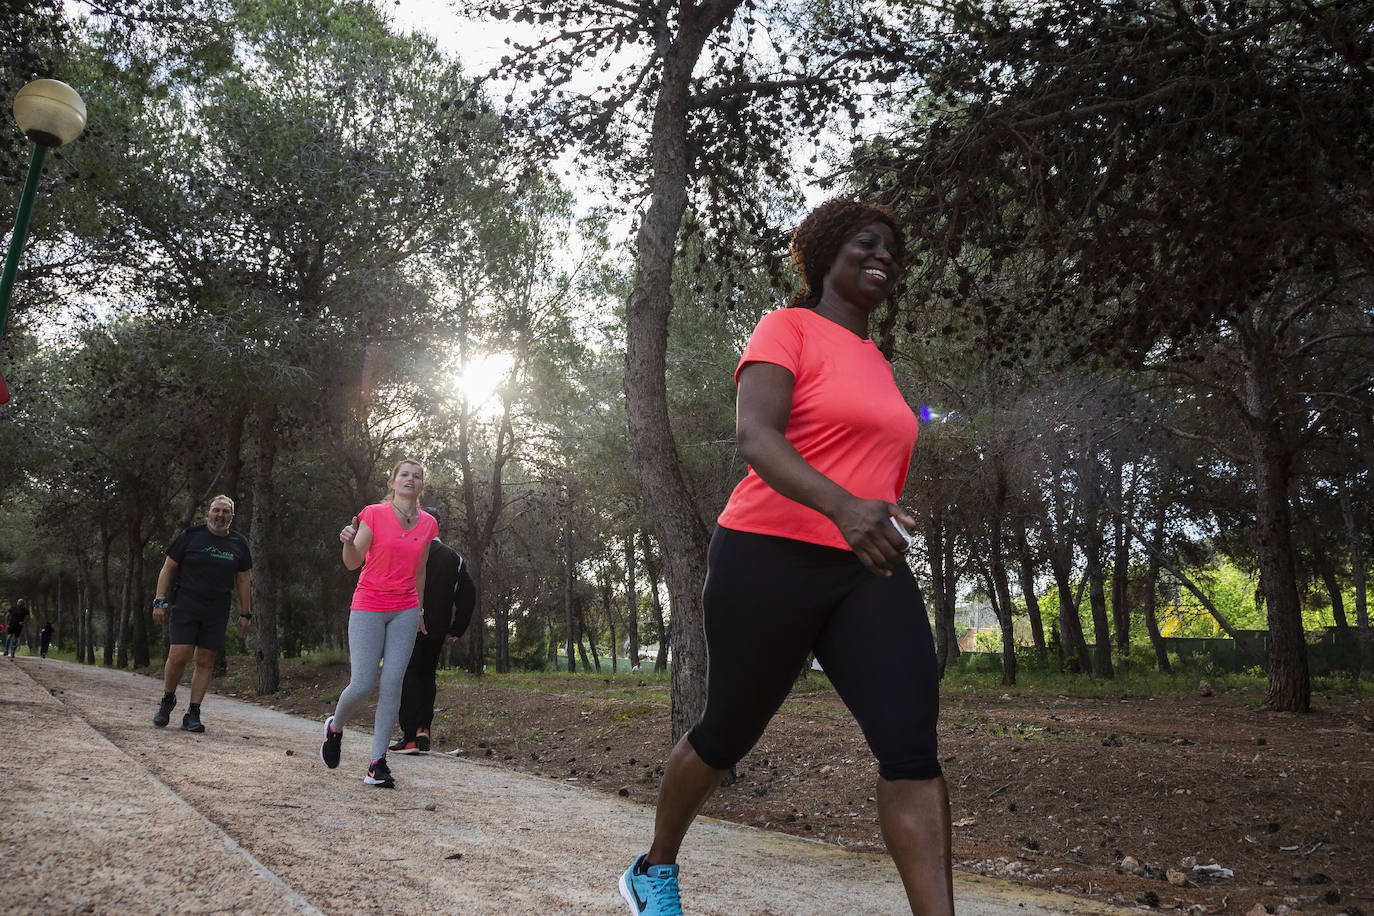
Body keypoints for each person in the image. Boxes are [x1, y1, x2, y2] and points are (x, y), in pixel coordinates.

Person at [618, 199, 954, 916]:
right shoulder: (787, 327)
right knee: (725, 733)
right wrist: (842, 505)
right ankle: (654, 868)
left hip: (865, 567)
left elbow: (860, 459)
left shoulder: (878, 364)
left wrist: (879, 508)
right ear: (827, 251)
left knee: (910, 748)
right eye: (868, 242)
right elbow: (757, 438)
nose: (884, 257)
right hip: (766, 558)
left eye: (894, 250)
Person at [320, 459, 437, 789]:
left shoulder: (428, 524)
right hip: (369, 605)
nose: (410, 479)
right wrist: (347, 540)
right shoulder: (373, 513)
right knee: (362, 683)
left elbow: (421, 571)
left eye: (416, 476)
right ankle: (335, 726)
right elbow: (352, 562)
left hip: (405, 609)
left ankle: (377, 764)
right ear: (392, 482)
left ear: (421, 486)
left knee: (392, 685)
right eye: (404, 475)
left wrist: (420, 610)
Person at [151, 495, 253, 733]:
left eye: (226, 512)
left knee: (205, 659)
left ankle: (193, 713)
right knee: (179, 654)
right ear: (207, 514)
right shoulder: (190, 536)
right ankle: (167, 700)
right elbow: (168, 568)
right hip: (186, 604)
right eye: (216, 511)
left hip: (217, 609)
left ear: (232, 517)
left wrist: (246, 614)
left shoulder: (239, 543)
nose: (220, 515)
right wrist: (159, 600)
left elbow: (243, 579)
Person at [388, 507, 477, 755]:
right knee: (427, 675)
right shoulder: (453, 558)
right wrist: (456, 628)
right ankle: (423, 728)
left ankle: (409, 737)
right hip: (437, 629)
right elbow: (468, 595)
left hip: (407, 623)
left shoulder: (407, 549)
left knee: (410, 674)